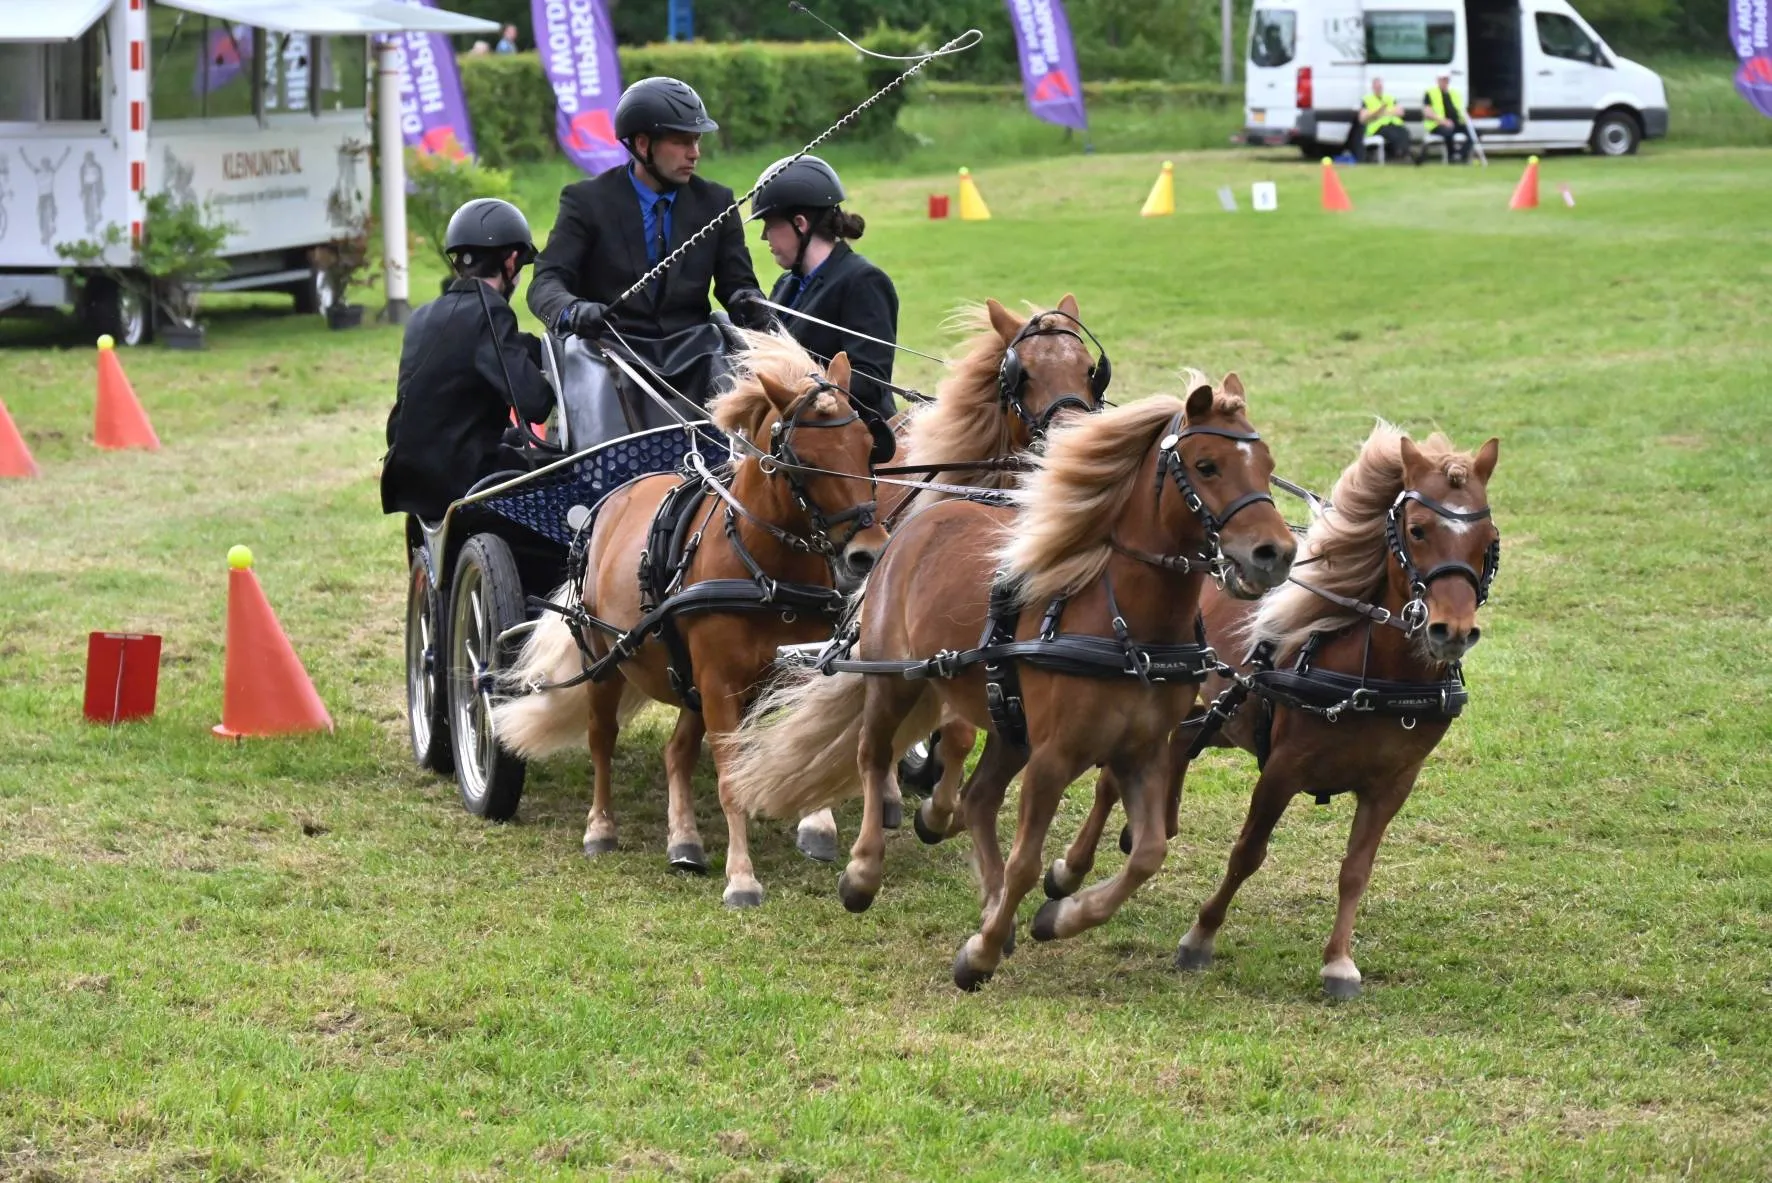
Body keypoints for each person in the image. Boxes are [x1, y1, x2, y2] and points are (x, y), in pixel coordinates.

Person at [526, 76, 771, 347]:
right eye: (682, 141)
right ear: (643, 145)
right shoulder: (585, 201)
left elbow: (738, 284)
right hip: (611, 351)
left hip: (694, 353)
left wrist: (749, 302)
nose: (695, 153)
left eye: (697, 140)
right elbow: (545, 282)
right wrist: (573, 311)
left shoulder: (716, 202)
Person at [381, 198, 554, 522]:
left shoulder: (422, 316)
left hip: (409, 477)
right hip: (462, 479)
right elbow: (534, 402)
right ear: (511, 260)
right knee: (567, 473)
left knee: (513, 441)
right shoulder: (490, 311)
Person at [750, 155, 899, 422]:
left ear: (800, 223)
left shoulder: (863, 280)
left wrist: (798, 384)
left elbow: (871, 382)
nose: (764, 237)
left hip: (852, 440)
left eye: (770, 225)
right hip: (794, 437)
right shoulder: (787, 284)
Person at [1419, 73, 1471, 163]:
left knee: (1474, 133)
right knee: (1448, 131)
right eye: (1442, 79)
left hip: (1456, 123)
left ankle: (1460, 154)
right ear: (1438, 80)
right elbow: (1427, 112)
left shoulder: (1454, 94)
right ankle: (1451, 155)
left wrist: (1464, 119)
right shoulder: (1430, 93)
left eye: (1446, 80)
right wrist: (1443, 121)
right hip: (1437, 124)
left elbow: (1460, 110)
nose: (1445, 82)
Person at [1357, 77, 1411, 164]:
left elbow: (1400, 112)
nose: (1379, 89)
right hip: (1377, 127)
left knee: (1404, 132)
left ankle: (1405, 154)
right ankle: (1399, 155)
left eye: (1380, 87)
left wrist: (1382, 112)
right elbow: (1362, 118)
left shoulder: (1389, 98)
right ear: (1373, 87)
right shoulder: (1367, 100)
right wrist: (1380, 111)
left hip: (1393, 124)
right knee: (1392, 134)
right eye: (1377, 87)